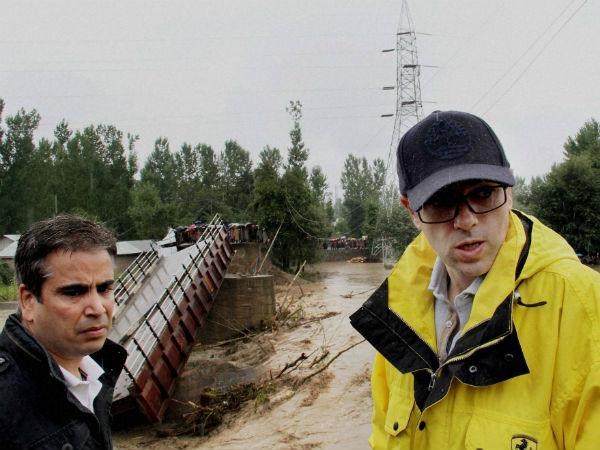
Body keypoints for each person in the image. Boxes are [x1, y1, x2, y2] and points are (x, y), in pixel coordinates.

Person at [350, 110, 600, 449]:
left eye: (483, 194)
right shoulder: (399, 313)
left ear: (509, 192)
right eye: (441, 202)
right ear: (411, 211)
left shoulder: (580, 305)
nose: (466, 221)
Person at [0, 215, 127, 449]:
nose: (98, 309)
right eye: (74, 292)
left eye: (104, 289)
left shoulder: (94, 372)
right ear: (28, 300)